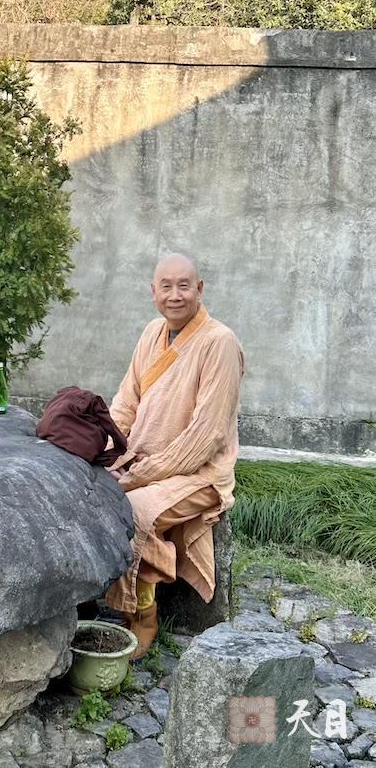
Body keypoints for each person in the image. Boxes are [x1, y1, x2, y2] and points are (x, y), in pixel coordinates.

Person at [105, 253, 244, 659]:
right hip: (144, 460)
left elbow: (205, 437)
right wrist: (108, 450)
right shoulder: (151, 333)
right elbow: (125, 402)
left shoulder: (219, 343)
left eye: (184, 286)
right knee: (94, 488)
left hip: (198, 473)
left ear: (200, 289)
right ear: (153, 292)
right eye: (166, 286)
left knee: (132, 510)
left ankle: (144, 615)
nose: (175, 295)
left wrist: (138, 477)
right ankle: (109, 601)